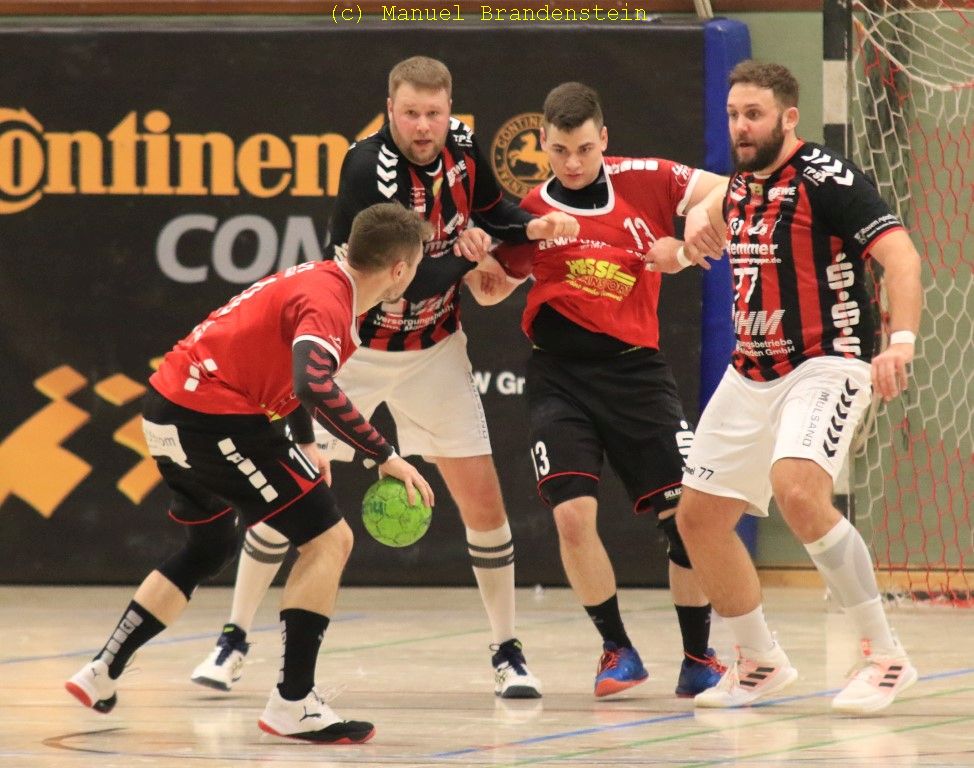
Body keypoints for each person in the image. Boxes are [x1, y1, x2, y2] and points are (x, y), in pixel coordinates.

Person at [190, 55, 578, 700]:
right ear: (390, 110)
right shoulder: (367, 168)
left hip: (434, 349)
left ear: (450, 110)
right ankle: (232, 639)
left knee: (483, 500)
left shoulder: (462, 146)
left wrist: (530, 226)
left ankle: (507, 651)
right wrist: (469, 255)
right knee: (295, 493)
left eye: (434, 113)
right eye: (410, 113)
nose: (424, 126)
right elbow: (401, 283)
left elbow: (494, 209)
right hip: (358, 348)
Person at [66, 203, 436, 743]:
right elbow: (313, 382)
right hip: (211, 418)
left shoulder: (320, 279)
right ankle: (293, 702)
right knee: (328, 540)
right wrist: (384, 454)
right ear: (399, 269)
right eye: (418, 265)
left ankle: (101, 671)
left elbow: (278, 366)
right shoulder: (330, 301)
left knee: (209, 545)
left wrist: (305, 441)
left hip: (168, 407)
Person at [675, 60, 922, 715]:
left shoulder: (828, 179)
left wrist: (900, 342)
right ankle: (759, 661)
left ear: (788, 118)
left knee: (798, 490)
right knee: (698, 519)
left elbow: (901, 257)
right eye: (733, 115)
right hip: (751, 369)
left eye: (753, 115)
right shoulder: (739, 184)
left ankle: (886, 657)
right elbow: (709, 217)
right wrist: (691, 230)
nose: (741, 127)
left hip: (827, 361)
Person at [492, 82, 730, 698]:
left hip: (636, 373)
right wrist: (477, 255)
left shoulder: (645, 178)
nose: (572, 163)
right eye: (559, 150)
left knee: (685, 520)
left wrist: (687, 244)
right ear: (542, 143)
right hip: (559, 377)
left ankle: (698, 658)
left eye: (584, 149)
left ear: (604, 140)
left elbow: (724, 191)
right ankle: (617, 649)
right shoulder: (531, 207)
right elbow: (493, 288)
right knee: (572, 517)